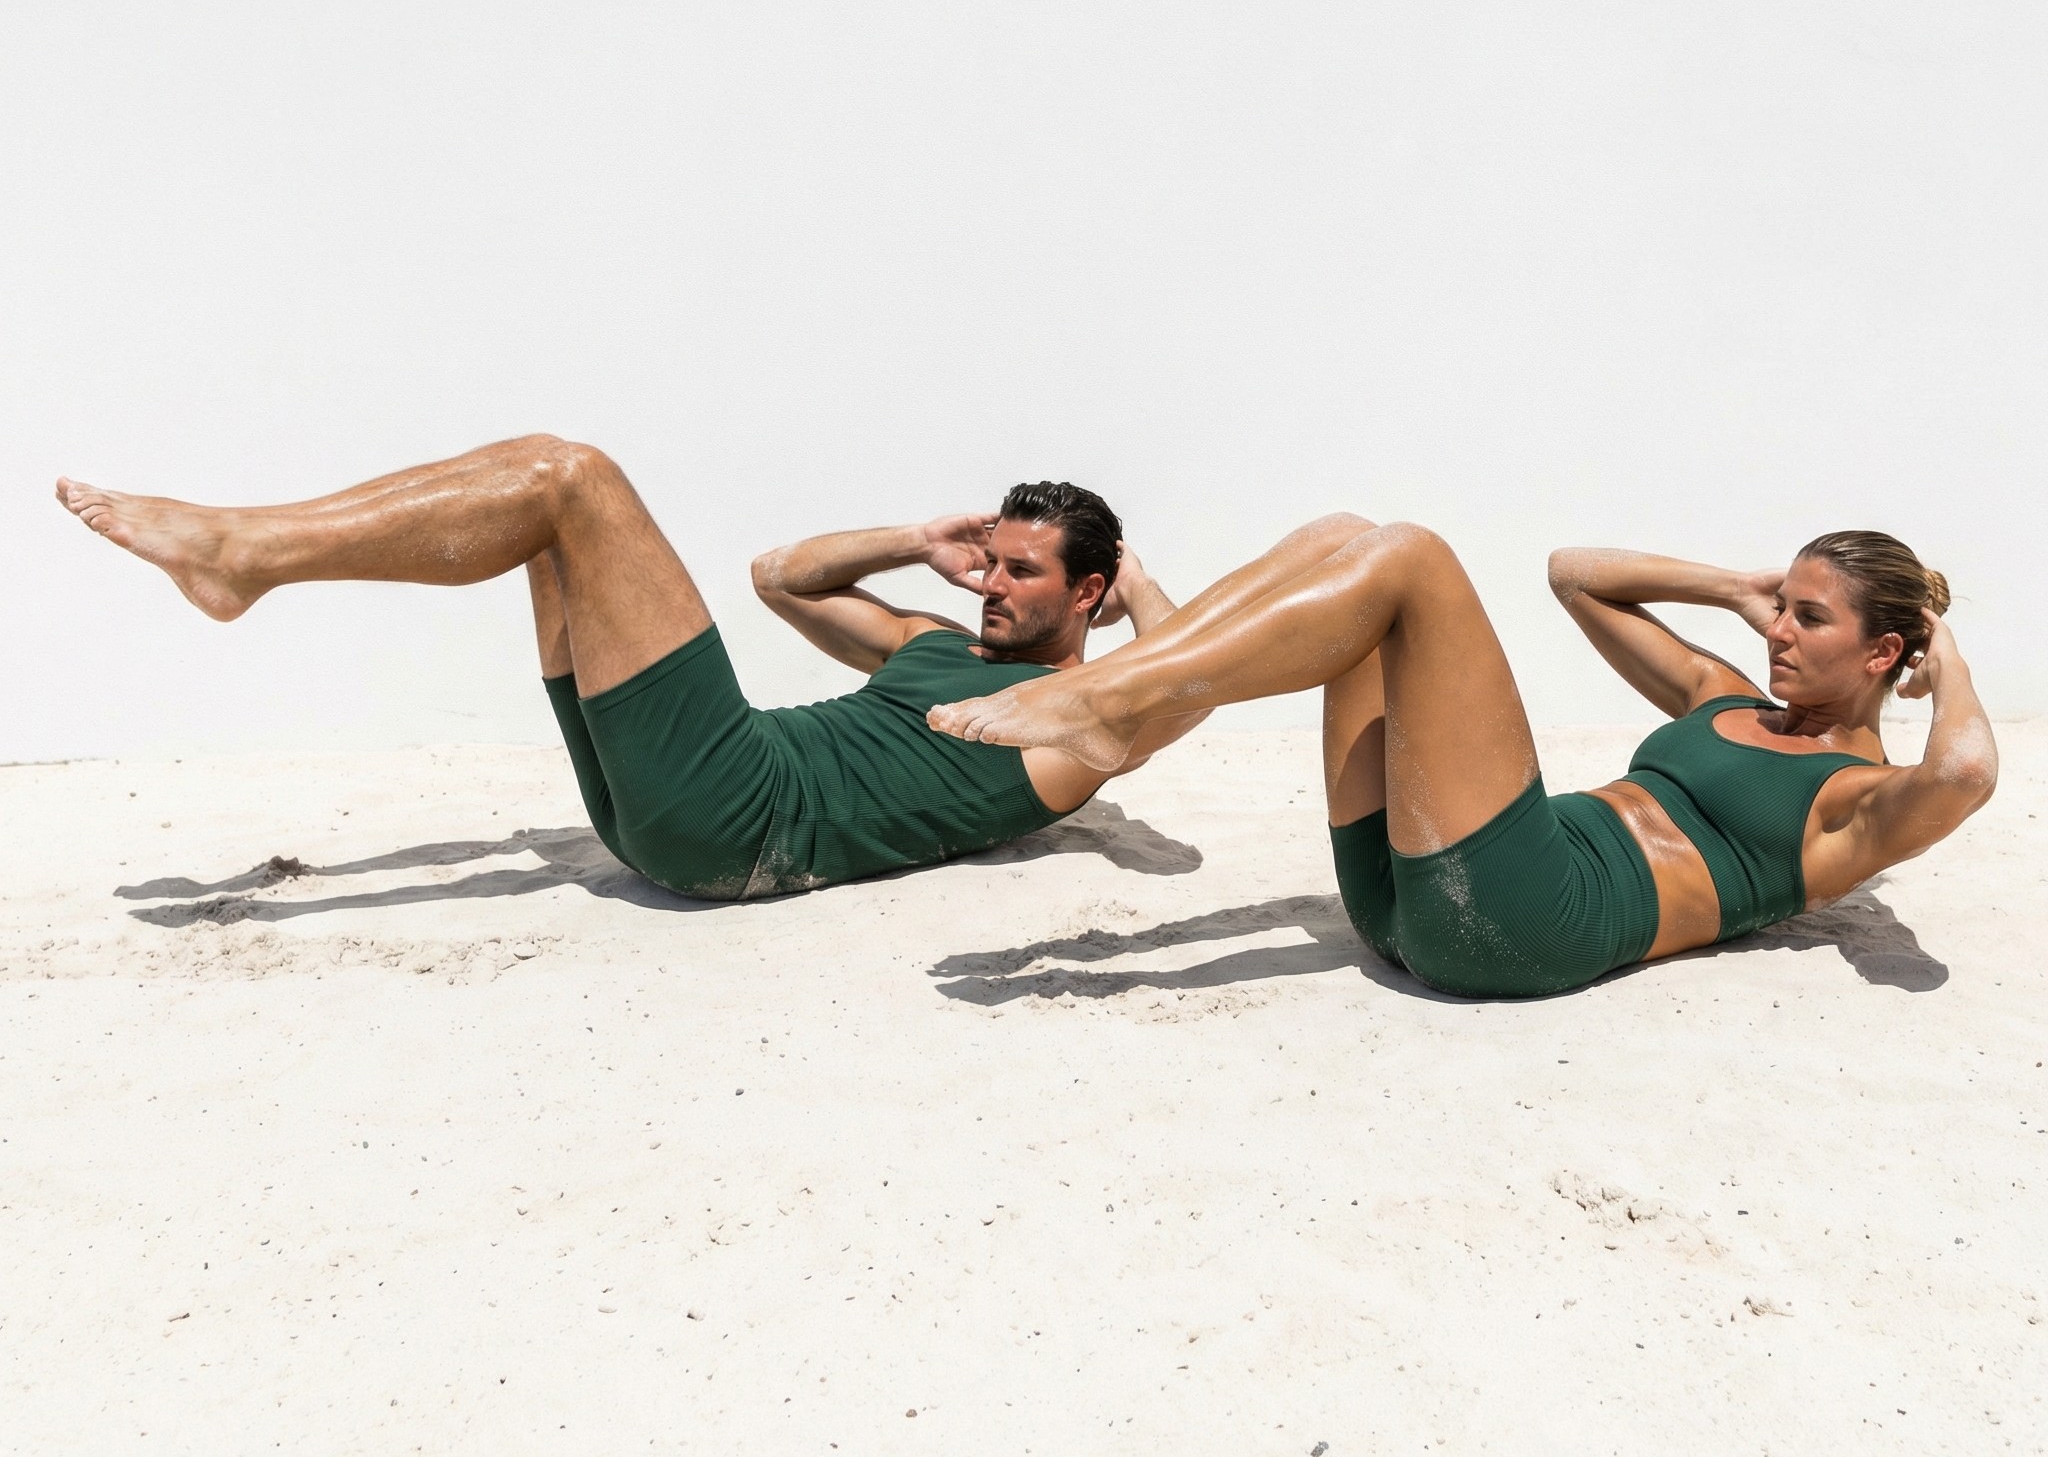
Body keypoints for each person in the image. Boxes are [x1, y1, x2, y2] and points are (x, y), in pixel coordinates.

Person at [55, 439, 1202, 898]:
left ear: (1087, 593)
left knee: (573, 477)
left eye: (1019, 574)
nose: (991, 586)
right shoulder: (935, 642)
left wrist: (1140, 579)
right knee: (547, 526)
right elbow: (777, 574)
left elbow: (1192, 672)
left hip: (744, 821)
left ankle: (245, 553)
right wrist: (917, 540)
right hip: (688, 803)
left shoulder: (1073, 727)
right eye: (990, 564)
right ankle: (248, 551)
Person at [928, 515, 1998, 998]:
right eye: (1781, 607)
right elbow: (1574, 573)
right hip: (1408, 900)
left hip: (1521, 928)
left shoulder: (1854, 802)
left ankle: (1112, 701)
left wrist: (1945, 657)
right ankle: (1129, 686)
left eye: (1806, 618)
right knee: (1346, 534)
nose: (1775, 630)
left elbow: (1963, 773)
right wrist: (1727, 583)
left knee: (1412, 562)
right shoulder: (1720, 693)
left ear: (1882, 649)